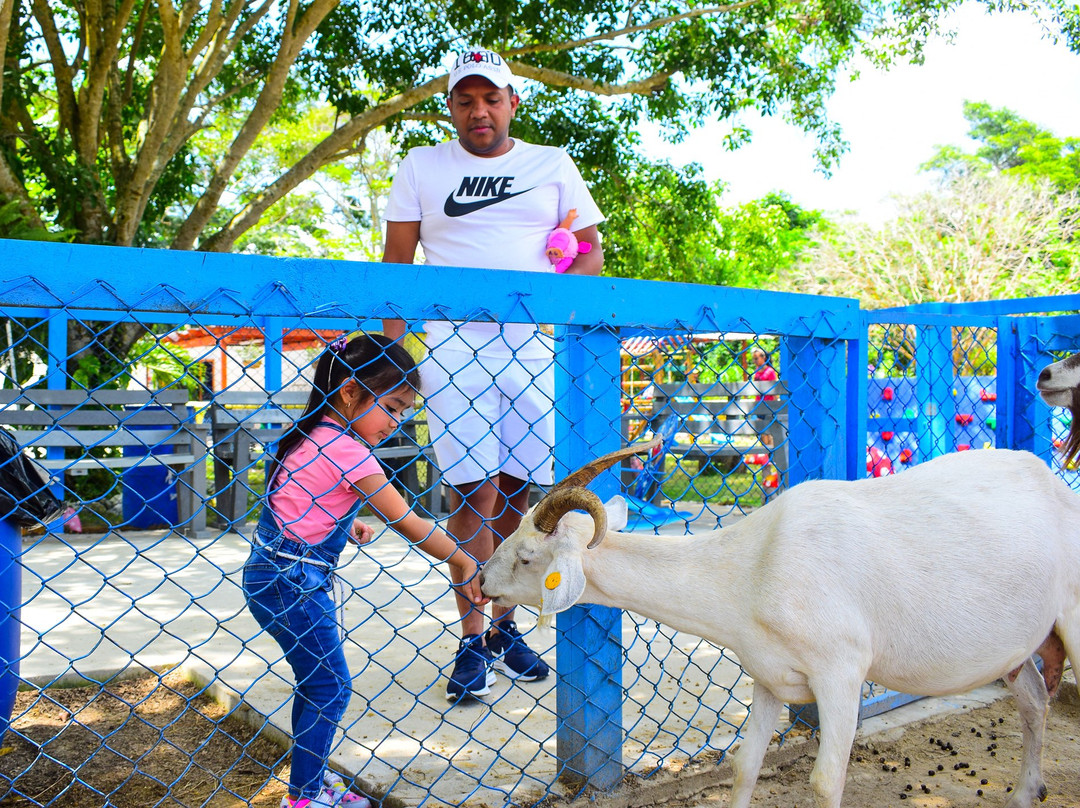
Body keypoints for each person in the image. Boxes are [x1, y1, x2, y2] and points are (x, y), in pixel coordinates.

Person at [381, 48, 604, 701]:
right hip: (455, 348)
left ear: (512, 102)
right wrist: (390, 361)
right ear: (450, 107)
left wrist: (566, 258)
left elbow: (589, 258)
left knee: (516, 491)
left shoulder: (551, 164)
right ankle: (472, 637)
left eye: (491, 98)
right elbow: (396, 264)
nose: (479, 110)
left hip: (531, 347)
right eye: (465, 100)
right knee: (470, 493)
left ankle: (505, 625)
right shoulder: (421, 166)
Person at [242, 334, 486, 808]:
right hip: (293, 582)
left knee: (318, 683)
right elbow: (410, 522)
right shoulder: (352, 452)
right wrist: (463, 557)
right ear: (350, 391)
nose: (396, 423)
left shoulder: (314, 434)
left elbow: (297, 493)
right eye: (391, 408)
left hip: (276, 572)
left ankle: (307, 785)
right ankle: (305, 798)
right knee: (329, 685)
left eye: (403, 413)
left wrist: (342, 518)